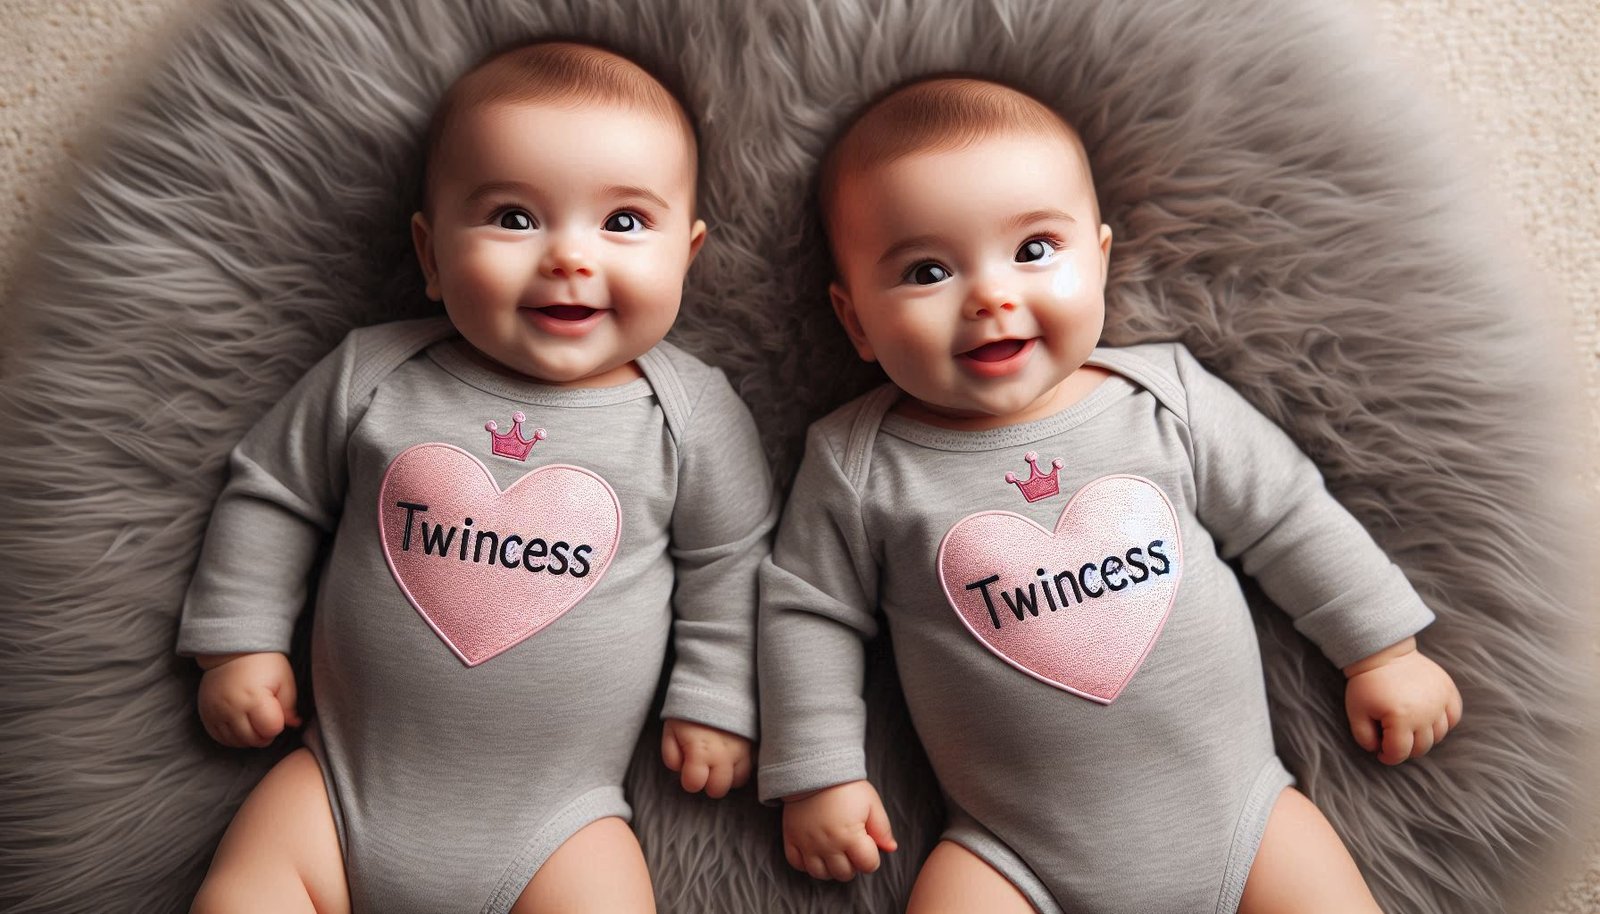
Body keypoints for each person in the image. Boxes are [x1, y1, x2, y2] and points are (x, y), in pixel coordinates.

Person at [757, 76, 1462, 914]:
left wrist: (1381, 650)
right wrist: (821, 772)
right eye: (928, 269)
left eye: (1033, 250)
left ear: (1098, 257)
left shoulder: (1165, 398)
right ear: (856, 322)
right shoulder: (859, 461)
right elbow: (807, 614)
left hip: (1245, 815)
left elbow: (1286, 515)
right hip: (1008, 853)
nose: (991, 295)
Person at [179, 40, 773, 914]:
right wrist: (239, 638)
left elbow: (733, 561)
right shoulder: (374, 374)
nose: (570, 256)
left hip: (560, 824)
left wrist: (718, 695)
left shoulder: (689, 414)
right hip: (337, 792)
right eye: (514, 218)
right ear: (430, 251)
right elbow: (274, 491)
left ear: (686, 257)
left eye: (622, 223)